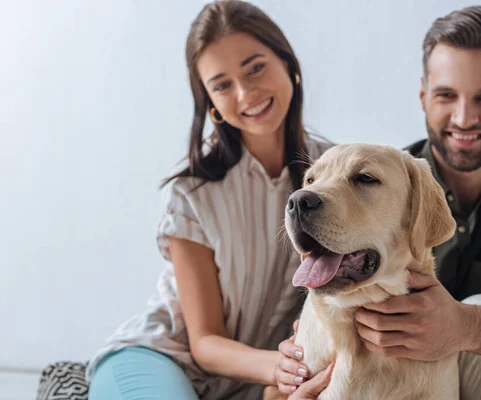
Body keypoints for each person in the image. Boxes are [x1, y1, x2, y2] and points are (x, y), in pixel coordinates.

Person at [277, 5, 481, 400]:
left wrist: (465, 326)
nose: (464, 117)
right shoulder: (391, 171)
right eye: (447, 95)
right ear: (423, 95)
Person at [84, 1, 333, 399]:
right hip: (163, 358)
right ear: (209, 101)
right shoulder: (190, 191)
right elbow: (203, 342)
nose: (246, 92)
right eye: (222, 85)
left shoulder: (334, 172)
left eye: (255, 68)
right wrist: (280, 366)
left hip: (265, 380)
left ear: (289, 64)